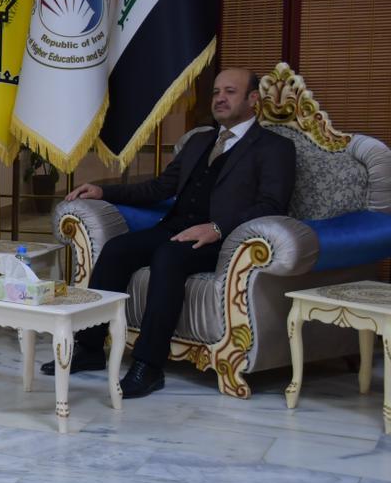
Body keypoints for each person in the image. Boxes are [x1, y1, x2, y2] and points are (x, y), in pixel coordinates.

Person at [42, 67, 296, 397]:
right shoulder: (200, 140)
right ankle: (89, 348)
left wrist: (218, 228)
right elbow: (160, 187)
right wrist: (104, 191)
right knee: (118, 249)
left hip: (227, 241)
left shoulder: (275, 148)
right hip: (175, 228)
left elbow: (272, 204)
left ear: (252, 99)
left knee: (168, 257)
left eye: (230, 92)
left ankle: (148, 366)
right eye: (216, 91)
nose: (219, 98)